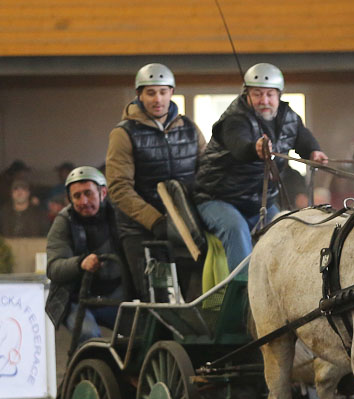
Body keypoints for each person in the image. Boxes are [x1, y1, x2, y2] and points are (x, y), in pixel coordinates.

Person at [193, 63, 328, 270]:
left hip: (261, 201)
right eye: (257, 94)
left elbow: (302, 137)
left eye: (269, 95)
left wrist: (314, 151)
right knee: (235, 228)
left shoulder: (288, 116)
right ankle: (243, 291)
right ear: (247, 95)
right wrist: (254, 149)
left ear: (279, 96)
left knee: (283, 228)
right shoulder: (234, 118)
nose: (264, 100)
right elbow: (239, 145)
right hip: (217, 199)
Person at [106, 63, 205, 298]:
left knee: (197, 292)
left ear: (171, 92)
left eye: (162, 91)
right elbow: (119, 188)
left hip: (185, 227)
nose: (157, 99)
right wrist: (155, 221)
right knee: (157, 297)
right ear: (139, 95)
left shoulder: (190, 129)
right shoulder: (123, 133)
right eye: (150, 93)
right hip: (141, 231)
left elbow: (207, 172)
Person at [45, 167, 128, 341]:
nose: (83, 201)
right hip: (76, 299)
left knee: (144, 330)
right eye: (77, 196)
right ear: (70, 199)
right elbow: (53, 268)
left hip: (115, 296)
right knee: (88, 335)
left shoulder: (119, 215)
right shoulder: (63, 221)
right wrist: (80, 263)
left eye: (88, 193)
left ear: (103, 192)